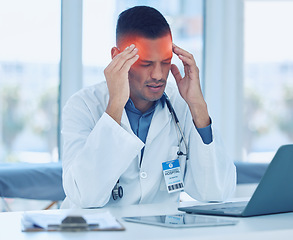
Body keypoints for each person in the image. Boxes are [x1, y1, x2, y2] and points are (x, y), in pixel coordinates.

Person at [61, 6, 236, 209]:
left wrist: (198, 106)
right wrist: (116, 104)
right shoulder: (83, 106)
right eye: (146, 64)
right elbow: (84, 196)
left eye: (165, 62)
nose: (158, 75)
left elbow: (217, 191)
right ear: (117, 56)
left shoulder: (182, 105)